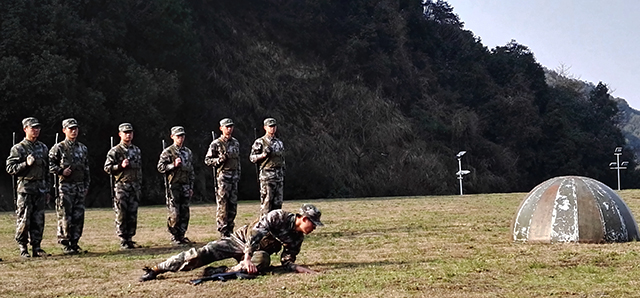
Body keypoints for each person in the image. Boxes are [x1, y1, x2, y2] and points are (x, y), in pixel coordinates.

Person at [139, 204, 323, 282]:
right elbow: (254, 235)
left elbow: (287, 261)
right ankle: (157, 269)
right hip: (240, 242)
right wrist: (246, 258)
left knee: (264, 260)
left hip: (257, 254)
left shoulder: (297, 238)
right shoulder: (278, 216)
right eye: (313, 224)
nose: (314, 228)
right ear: (304, 218)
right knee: (201, 254)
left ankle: (222, 272)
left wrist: (302, 269)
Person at [5, 117, 51, 258]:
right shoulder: (18, 148)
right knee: (24, 219)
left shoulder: (43, 148)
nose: (36, 130)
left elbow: (46, 170)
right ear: (25, 129)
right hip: (25, 189)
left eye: (37, 128)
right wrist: (25, 164)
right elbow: (10, 168)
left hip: (40, 188)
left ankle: (37, 247)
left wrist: (48, 189)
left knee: (38, 220)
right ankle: (23, 248)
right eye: (33, 128)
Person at [48, 118, 90, 254]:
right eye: (70, 129)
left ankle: (75, 242)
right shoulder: (58, 148)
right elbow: (49, 165)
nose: (73, 131)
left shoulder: (82, 148)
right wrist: (61, 171)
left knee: (78, 216)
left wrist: (86, 186)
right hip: (65, 186)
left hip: (79, 186)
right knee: (65, 216)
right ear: (64, 130)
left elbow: (86, 169)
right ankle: (66, 242)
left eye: (75, 128)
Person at [104, 123, 142, 249]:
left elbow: (139, 170)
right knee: (121, 213)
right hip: (122, 186)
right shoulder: (115, 151)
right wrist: (120, 166)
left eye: (130, 132)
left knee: (132, 213)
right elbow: (107, 168)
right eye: (125, 132)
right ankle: (123, 239)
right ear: (120, 134)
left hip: (134, 186)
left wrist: (139, 184)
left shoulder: (136, 150)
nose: (128, 134)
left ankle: (130, 238)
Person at [157, 126, 195, 245]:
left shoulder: (188, 152)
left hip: (185, 185)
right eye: (178, 136)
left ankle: (182, 235)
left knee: (185, 212)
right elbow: (160, 167)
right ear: (172, 137)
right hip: (173, 186)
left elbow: (191, 171)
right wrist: (173, 165)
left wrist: (191, 187)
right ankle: (174, 236)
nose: (181, 138)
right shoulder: (168, 152)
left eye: (182, 136)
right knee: (174, 213)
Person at [204, 118, 241, 237]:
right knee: (223, 205)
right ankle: (223, 231)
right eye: (227, 127)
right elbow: (208, 160)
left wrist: (238, 173)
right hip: (223, 178)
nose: (229, 129)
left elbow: (237, 160)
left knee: (233, 205)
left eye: (231, 127)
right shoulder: (216, 144)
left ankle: (230, 229)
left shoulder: (235, 143)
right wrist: (219, 160)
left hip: (234, 178)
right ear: (221, 128)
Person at [250, 118, 286, 217]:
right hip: (267, 177)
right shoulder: (260, 142)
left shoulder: (279, 142)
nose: (272, 128)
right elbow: (252, 158)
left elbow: (282, 159)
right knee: (267, 204)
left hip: (278, 177)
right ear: (265, 127)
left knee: (278, 204)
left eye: (274, 126)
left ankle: (276, 227)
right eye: (270, 126)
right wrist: (263, 155)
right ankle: (265, 228)